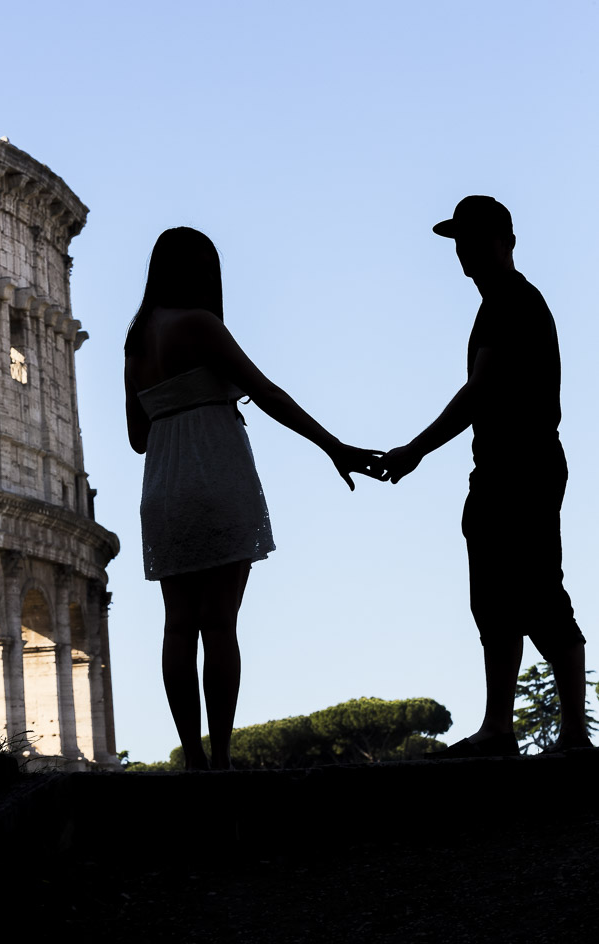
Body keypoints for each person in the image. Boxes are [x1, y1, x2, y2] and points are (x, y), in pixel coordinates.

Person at [125, 227, 381, 770]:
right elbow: (265, 392)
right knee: (219, 623)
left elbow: (136, 436)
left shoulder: (138, 337)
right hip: (215, 473)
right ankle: (220, 757)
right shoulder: (200, 324)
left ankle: (190, 757)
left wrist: (177, 403)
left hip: (162, 484)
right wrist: (334, 446)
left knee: (177, 623)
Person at [380, 196, 591, 757]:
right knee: (496, 598)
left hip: (522, 467)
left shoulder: (510, 304)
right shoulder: (500, 305)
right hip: (502, 469)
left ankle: (571, 733)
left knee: (540, 593)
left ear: (505, 240)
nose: (463, 254)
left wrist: (415, 450)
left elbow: (481, 391)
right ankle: (501, 728)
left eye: (473, 241)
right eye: (458, 243)